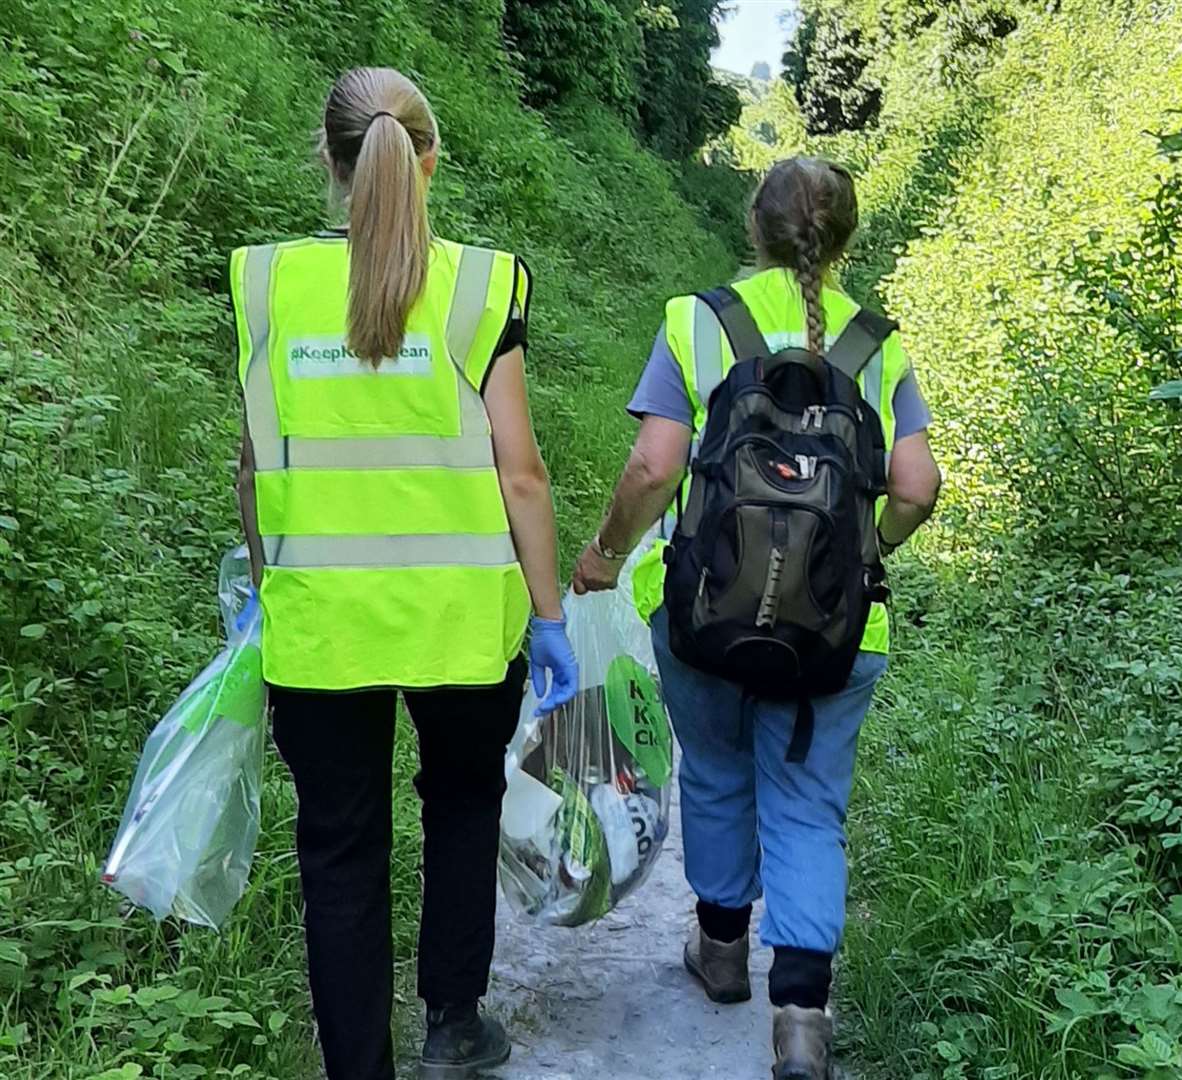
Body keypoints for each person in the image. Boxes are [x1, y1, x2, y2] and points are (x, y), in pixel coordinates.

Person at [230, 67, 578, 1080]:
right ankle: (454, 1028)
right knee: (462, 805)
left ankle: (357, 1068)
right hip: (460, 623)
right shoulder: (482, 284)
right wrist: (549, 615)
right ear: (429, 162)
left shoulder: (267, 283)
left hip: (320, 623)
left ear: (328, 162)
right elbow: (522, 473)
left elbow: (256, 464)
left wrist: (262, 586)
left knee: (339, 847)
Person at [572, 157, 941, 1079]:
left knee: (718, 771)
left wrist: (607, 554)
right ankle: (804, 1019)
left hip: (704, 613)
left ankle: (723, 951)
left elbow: (655, 468)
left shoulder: (698, 322)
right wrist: (869, 549)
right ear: (847, 238)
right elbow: (917, 486)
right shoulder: (877, 343)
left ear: (754, 228)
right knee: (810, 805)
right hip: (837, 631)